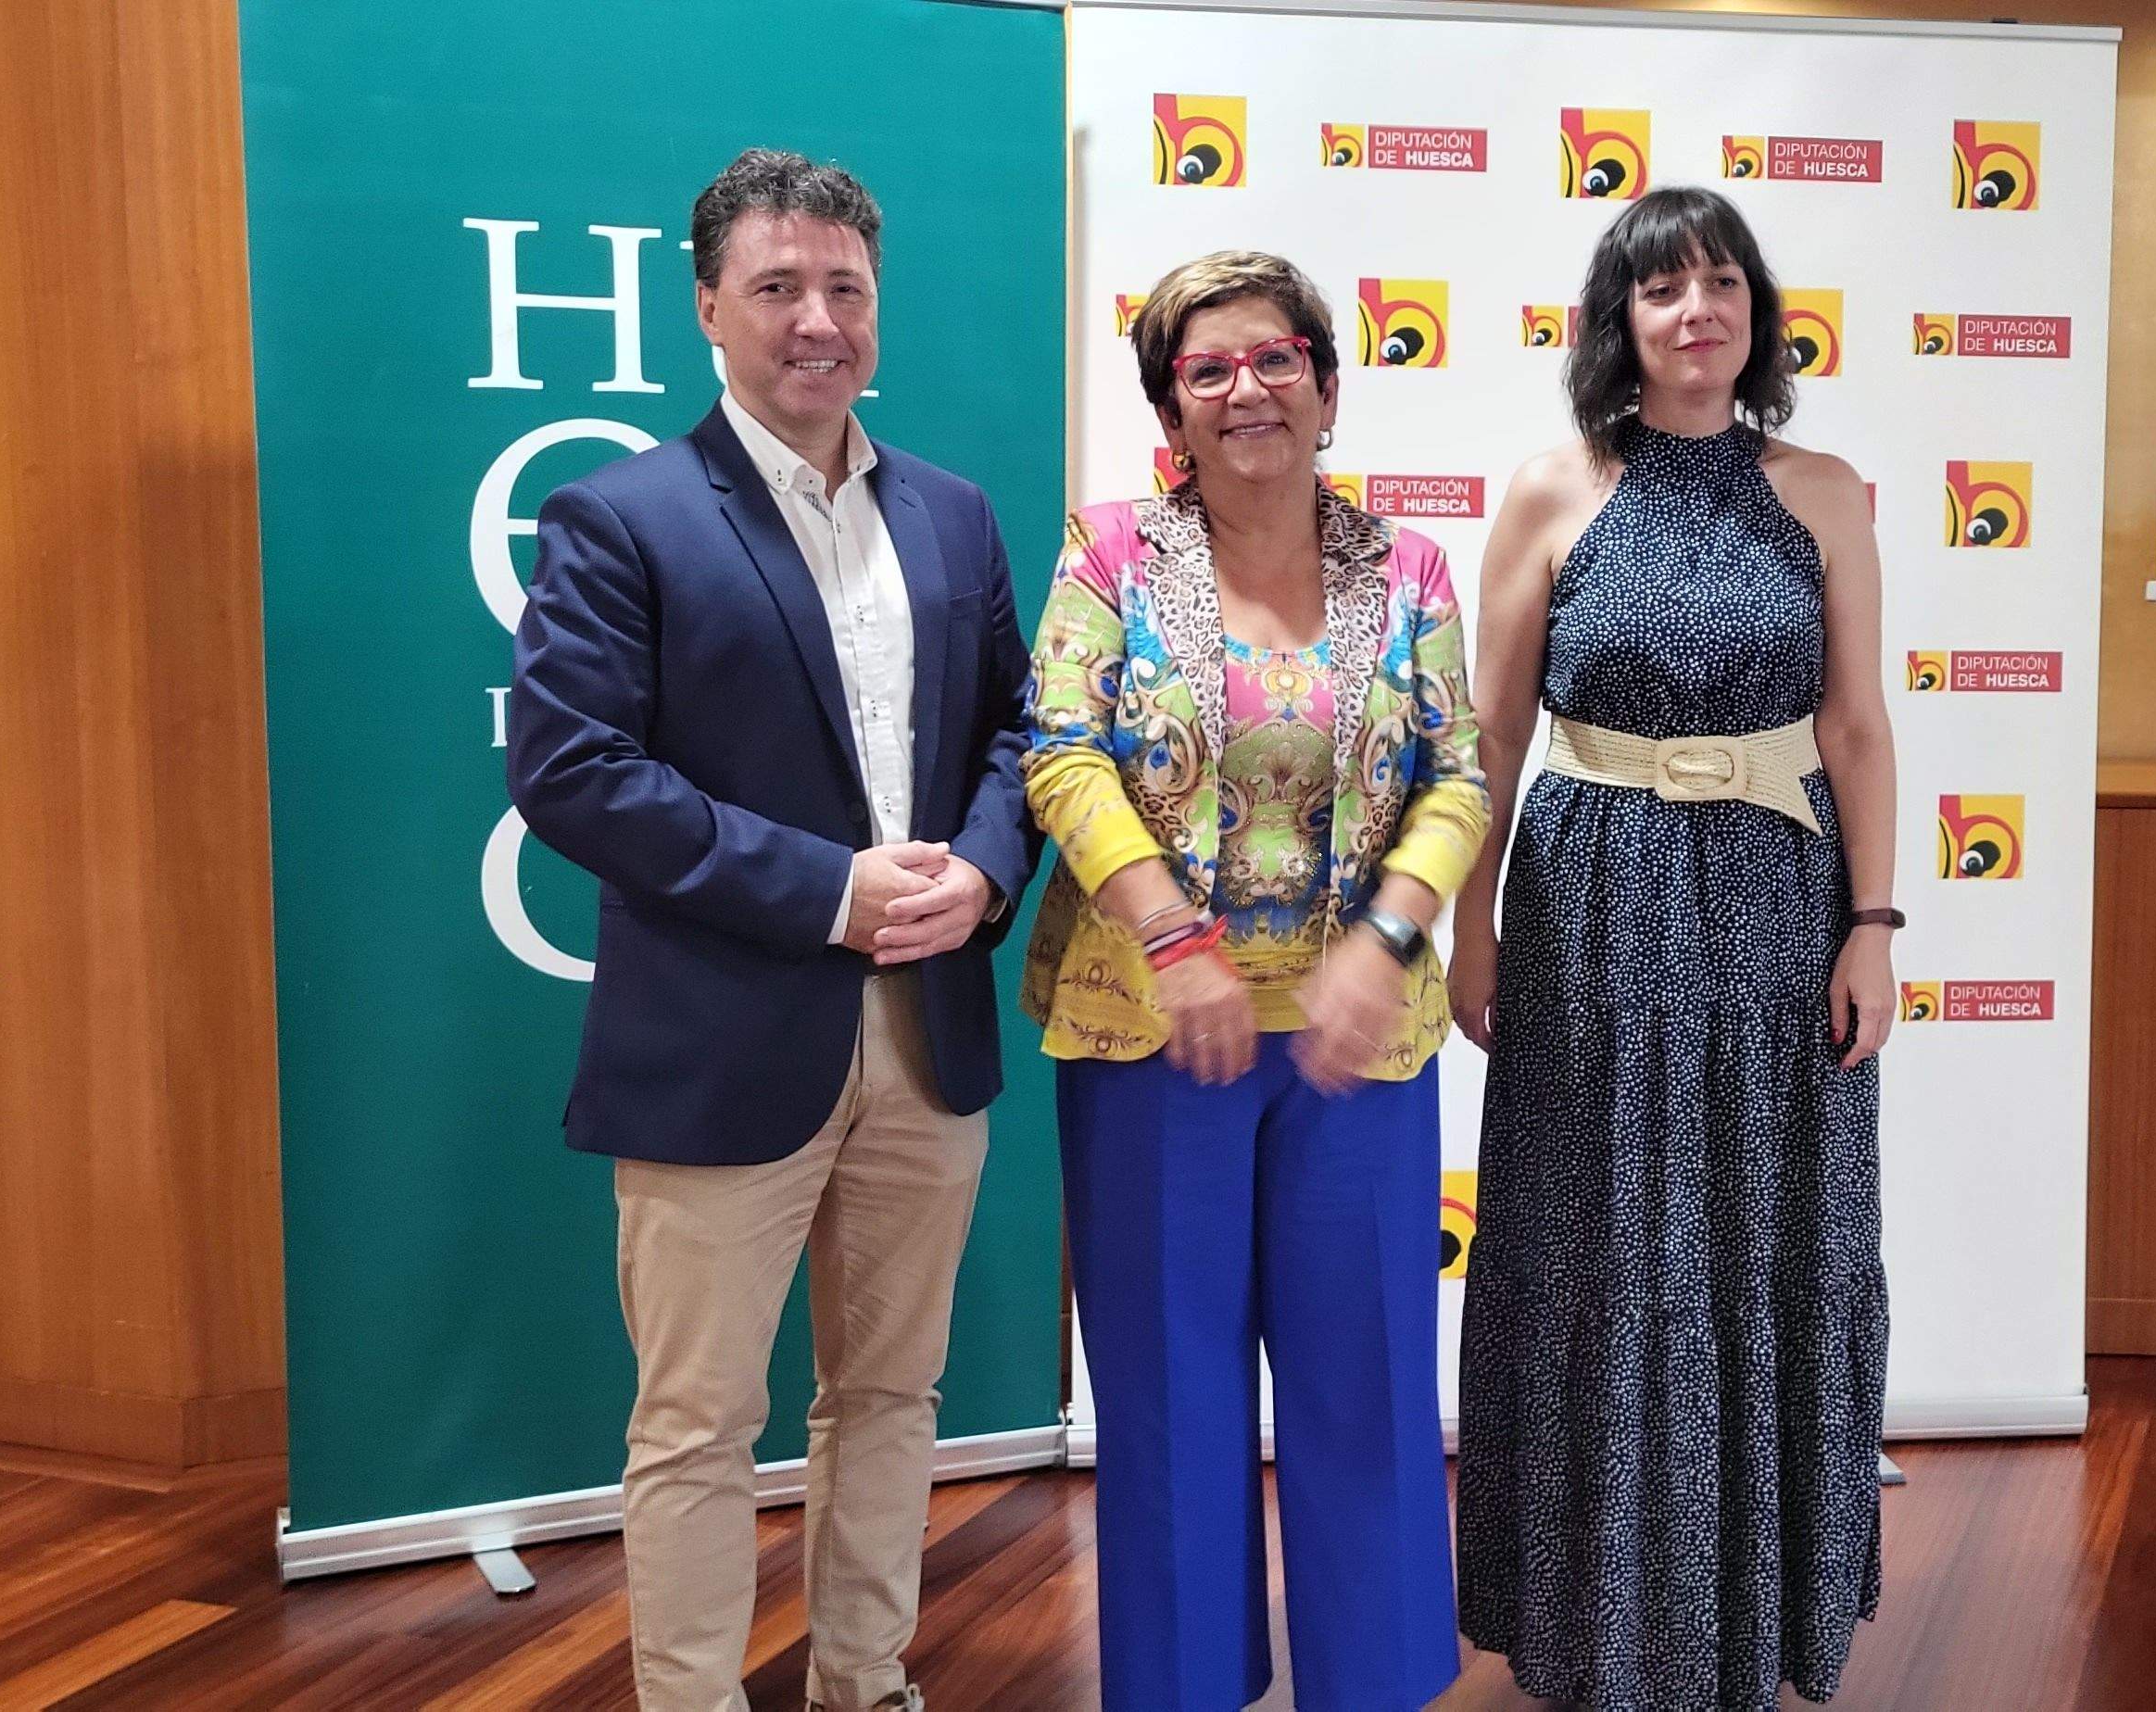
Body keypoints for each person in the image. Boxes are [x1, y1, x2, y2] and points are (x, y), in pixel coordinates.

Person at [507, 148, 1038, 1712]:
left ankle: (866, 1685)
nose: (818, 320)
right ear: (708, 309)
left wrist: (988, 876)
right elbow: (575, 772)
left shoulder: (953, 515)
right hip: (723, 1038)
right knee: (694, 1426)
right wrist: (830, 889)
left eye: (845, 290)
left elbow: (1022, 733)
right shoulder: (619, 516)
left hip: (926, 1039)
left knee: (890, 1398)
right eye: (778, 288)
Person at [1448, 185, 1903, 1709]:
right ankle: (1591, 1620)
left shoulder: (1827, 490)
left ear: (1757, 312)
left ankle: (1758, 1613)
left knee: (1765, 1241)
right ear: (1618, 323)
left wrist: (1877, 927)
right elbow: (1494, 736)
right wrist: (1468, 919)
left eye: (1721, 283)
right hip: (1589, 914)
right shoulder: (1552, 489)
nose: (1696, 311)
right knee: (1600, 1240)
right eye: (1663, 291)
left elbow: (1854, 726)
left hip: (1779, 909)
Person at [1021, 248, 1484, 1712]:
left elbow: (1461, 776)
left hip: (1361, 1047)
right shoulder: (1107, 555)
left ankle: (1377, 1685)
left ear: (1328, 384)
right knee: (1168, 1409)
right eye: (1207, 368)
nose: (1247, 389)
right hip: (1153, 1038)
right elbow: (1061, 751)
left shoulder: (1404, 566)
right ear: (1172, 405)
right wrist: (1176, 942)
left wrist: (1390, 936)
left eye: (1276, 358)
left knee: (1371, 1403)